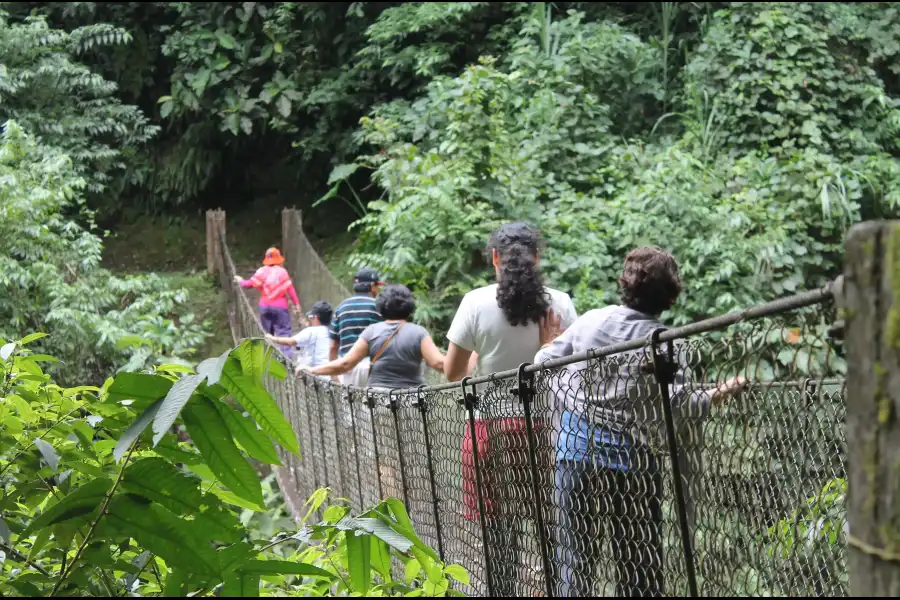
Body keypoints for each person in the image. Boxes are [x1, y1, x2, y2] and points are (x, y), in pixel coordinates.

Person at [534, 246, 749, 597]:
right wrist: (718, 393)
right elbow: (679, 406)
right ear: (670, 296)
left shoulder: (591, 322)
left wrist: (550, 346)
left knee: (574, 565)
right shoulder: (666, 345)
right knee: (639, 569)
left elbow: (546, 362)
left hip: (574, 454)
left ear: (626, 282)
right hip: (632, 465)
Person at [443, 223, 578, 597]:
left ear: (494, 259)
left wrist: (483, 364)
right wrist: (545, 349)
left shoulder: (474, 302)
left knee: (499, 535)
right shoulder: (561, 303)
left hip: (489, 429)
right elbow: (574, 370)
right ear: (538, 257)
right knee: (550, 528)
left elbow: (453, 371)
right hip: (545, 432)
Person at [304, 285, 444, 388]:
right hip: (411, 402)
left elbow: (346, 364)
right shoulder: (419, 333)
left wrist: (312, 370)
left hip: (379, 401)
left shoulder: (371, 332)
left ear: (381, 307)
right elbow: (439, 363)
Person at [234, 247, 302, 359]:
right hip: (280, 308)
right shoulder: (282, 272)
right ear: (279, 259)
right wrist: (296, 304)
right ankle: (286, 361)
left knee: (267, 334)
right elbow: (291, 290)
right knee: (284, 333)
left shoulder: (261, 271)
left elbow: (248, 284)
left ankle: (270, 358)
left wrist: (240, 280)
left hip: (264, 307)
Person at [329, 268, 384, 387]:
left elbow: (333, 345)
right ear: (371, 285)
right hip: (372, 366)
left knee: (351, 405)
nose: (378, 289)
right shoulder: (378, 307)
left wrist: (334, 374)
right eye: (377, 285)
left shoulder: (341, 308)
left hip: (347, 367)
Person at [265, 301, 333, 373]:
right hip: (332, 372)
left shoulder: (312, 331)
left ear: (316, 318)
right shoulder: (334, 331)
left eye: (311, 317)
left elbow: (291, 341)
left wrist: (273, 338)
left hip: (317, 373)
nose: (310, 320)